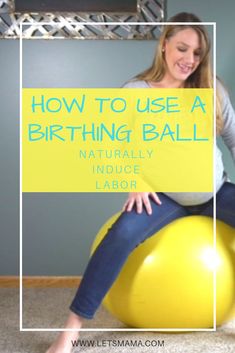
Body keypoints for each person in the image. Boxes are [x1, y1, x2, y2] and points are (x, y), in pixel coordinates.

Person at [46, 12, 235, 353]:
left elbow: (234, 140)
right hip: (163, 196)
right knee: (119, 235)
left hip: (215, 191)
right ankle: (70, 332)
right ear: (164, 45)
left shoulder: (212, 89)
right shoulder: (135, 92)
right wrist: (133, 178)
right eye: (182, 48)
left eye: (196, 54)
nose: (189, 60)